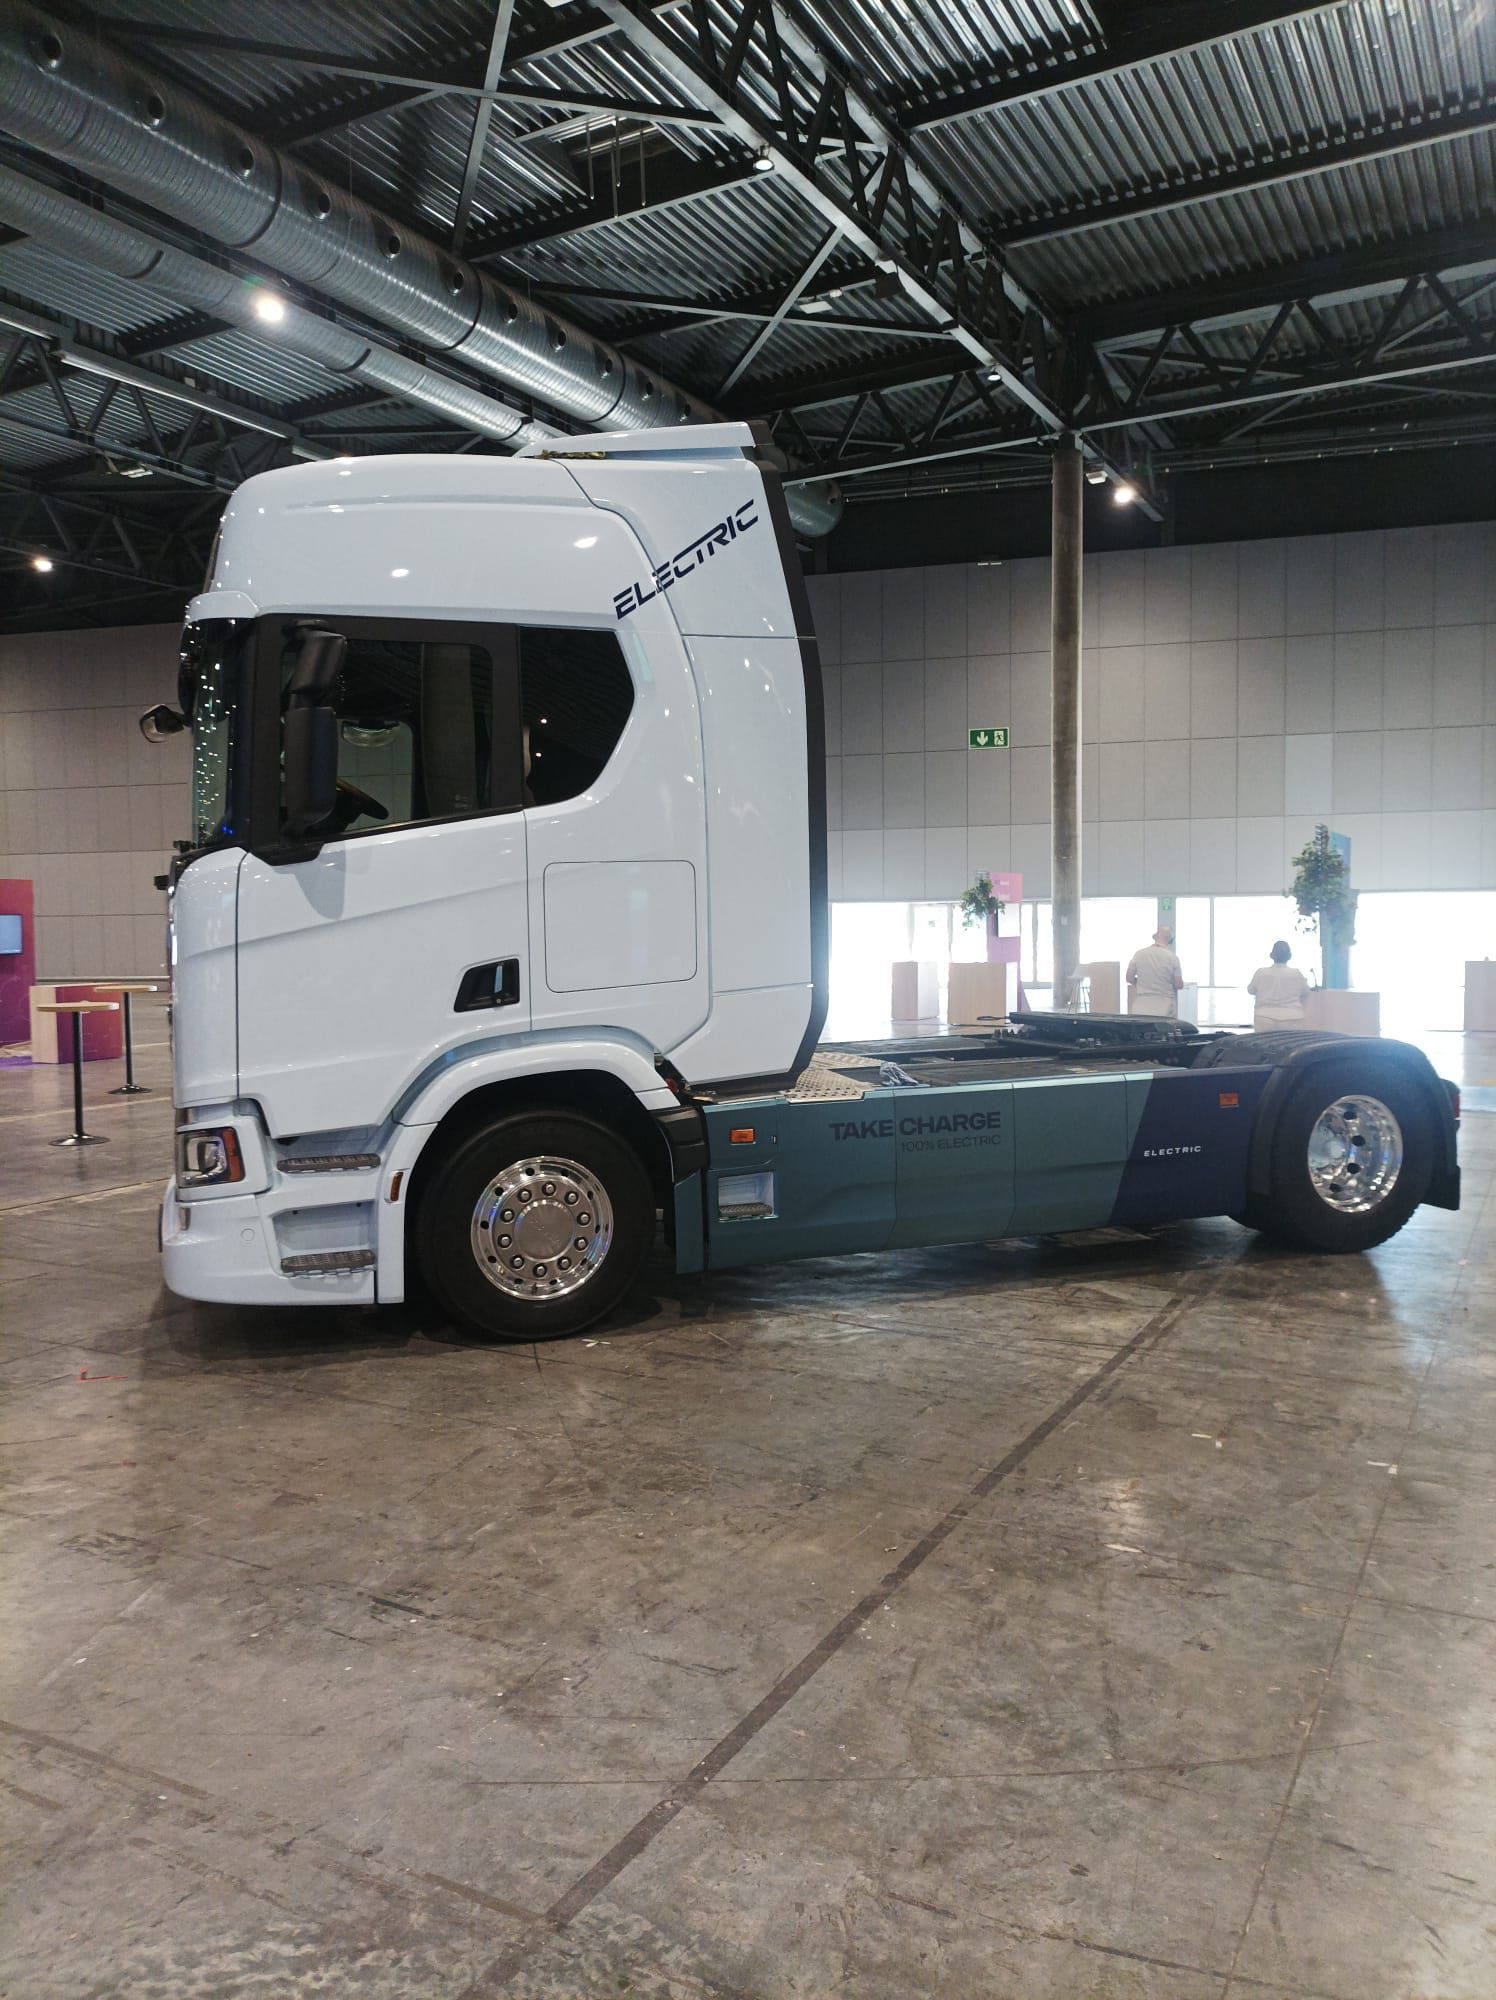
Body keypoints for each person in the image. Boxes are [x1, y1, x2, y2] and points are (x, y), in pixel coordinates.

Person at [1248, 939, 1309, 1030]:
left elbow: (1250, 990)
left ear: (1271, 955)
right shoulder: (1296, 973)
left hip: (1264, 1017)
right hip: (1292, 1017)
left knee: (1263, 1044)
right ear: (1289, 956)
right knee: (1291, 1044)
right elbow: (1306, 991)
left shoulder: (1260, 972)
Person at [1127, 926, 1183, 1018]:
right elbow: (1178, 984)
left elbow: (1129, 978)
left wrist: (1141, 982)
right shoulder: (1173, 958)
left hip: (1141, 1006)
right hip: (1165, 1006)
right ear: (1169, 940)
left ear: (1155, 937)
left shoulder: (1138, 954)